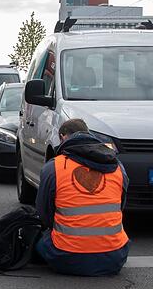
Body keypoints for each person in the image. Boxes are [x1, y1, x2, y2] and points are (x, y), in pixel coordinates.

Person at [35, 118, 129, 276]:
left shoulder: (54, 167)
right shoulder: (117, 166)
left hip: (66, 257)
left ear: (63, 137)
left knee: (39, 241)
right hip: (114, 258)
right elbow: (120, 205)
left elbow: (44, 213)